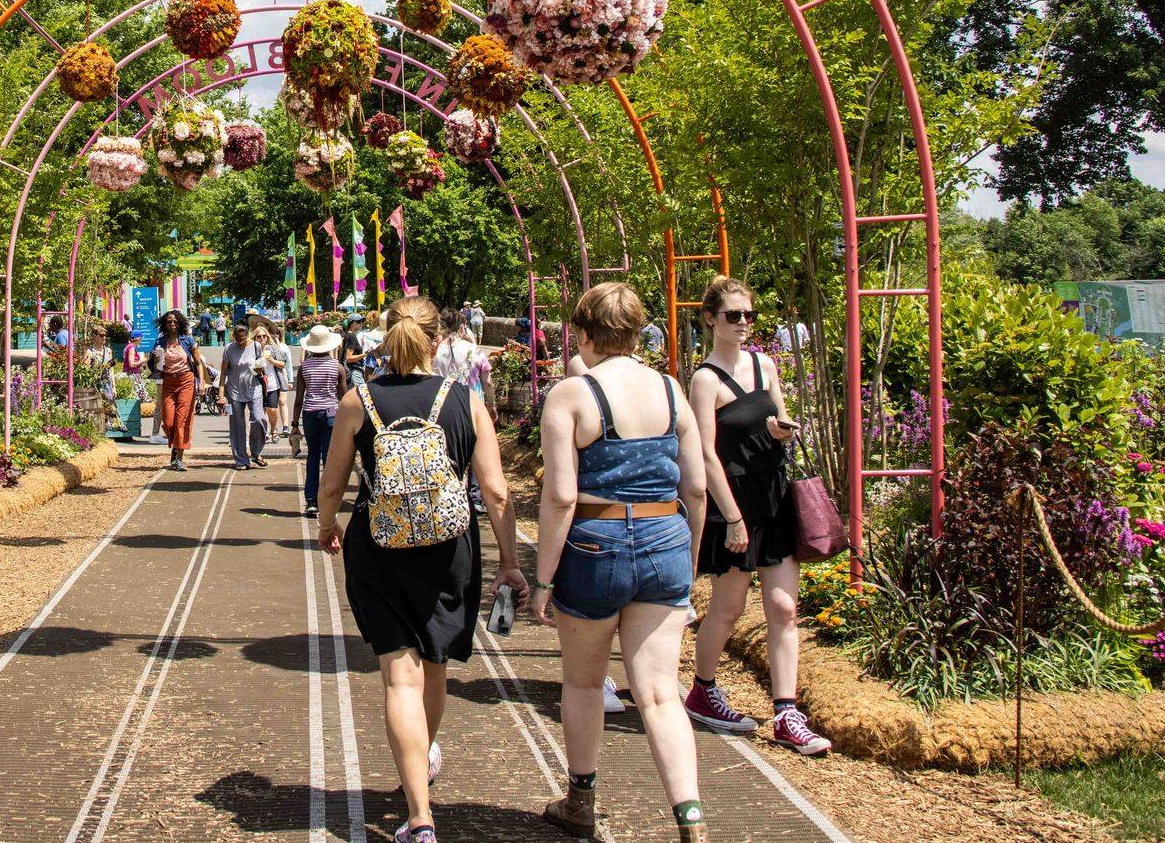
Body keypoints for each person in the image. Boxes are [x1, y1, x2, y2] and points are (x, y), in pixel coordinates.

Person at [317, 296, 528, 843]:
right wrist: (509, 562)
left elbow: (334, 483)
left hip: (380, 549)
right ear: (437, 340)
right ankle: (423, 766)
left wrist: (326, 525)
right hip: (448, 549)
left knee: (398, 676)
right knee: (433, 667)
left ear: (383, 339)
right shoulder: (465, 400)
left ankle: (419, 818)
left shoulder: (356, 402)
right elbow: (497, 492)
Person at [529, 282, 709, 841]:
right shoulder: (672, 391)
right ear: (635, 332)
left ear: (583, 333)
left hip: (595, 541)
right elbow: (697, 487)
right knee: (659, 693)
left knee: (584, 685)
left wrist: (543, 579)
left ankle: (579, 802)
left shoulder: (571, 394)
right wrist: (689, 559)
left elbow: (560, 496)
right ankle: (691, 816)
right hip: (665, 539)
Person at [685, 277, 829, 756]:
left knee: (785, 608)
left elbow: (781, 422)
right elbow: (705, 453)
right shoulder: (704, 379)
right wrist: (730, 517)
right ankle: (703, 689)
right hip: (735, 501)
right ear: (710, 319)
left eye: (748, 315)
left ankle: (787, 711)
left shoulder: (765, 364)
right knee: (727, 608)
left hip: (773, 493)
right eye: (733, 315)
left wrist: (782, 431)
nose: (743, 323)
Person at [292, 324, 348, 516]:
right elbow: (344, 396)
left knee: (313, 455)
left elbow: (299, 399)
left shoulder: (304, 368)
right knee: (329, 458)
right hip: (331, 413)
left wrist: (293, 424)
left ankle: (311, 499)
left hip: (309, 414)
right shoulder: (337, 367)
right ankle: (329, 498)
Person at [148, 310, 202, 471]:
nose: (172, 324)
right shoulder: (160, 342)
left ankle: (179, 457)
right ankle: (175, 446)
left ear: (180, 324)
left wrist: (202, 384)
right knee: (169, 420)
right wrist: (153, 359)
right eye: (169, 321)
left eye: (175, 322)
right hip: (168, 381)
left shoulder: (187, 340)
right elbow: (152, 366)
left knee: (182, 420)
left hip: (186, 380)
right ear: (165, 324)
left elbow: (198, 363)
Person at [219, 321, 268, 470]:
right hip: (234, 391)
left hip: (254, 388)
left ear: (247, 336)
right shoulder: (229, 349)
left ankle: (256, 452)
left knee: (259, 419)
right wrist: (221, 396)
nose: (239, 342)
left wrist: (259, 369)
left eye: (242, 339)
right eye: (236, 339)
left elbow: (260, 365)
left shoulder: (255, 346)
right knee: (237, 425)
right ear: (233, 337)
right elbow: (223, 373)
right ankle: (241, 459)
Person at [257, 324, 291, 441]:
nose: (262, 338)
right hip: (257, 385)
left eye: (264, 336)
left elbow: (283, 364)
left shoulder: (273, 348)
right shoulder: (252, 350)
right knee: (261, 410)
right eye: (259, 336)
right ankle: (266, 431)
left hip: (272, 384)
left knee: (272, 410)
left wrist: (272, 360)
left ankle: (273, 429)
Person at [341, 313, 370, 387]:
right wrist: (365, 354)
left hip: (350, 371)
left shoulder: (347, 335)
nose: (360, 323)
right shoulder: (352, 337)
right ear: (351, 324)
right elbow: (348, 358)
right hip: (354, 371)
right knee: (363, 396)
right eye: (358, 322)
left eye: (361, 321)